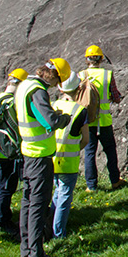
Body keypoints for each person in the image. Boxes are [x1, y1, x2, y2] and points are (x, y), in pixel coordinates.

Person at [16, 58, 72, 257]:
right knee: (38, 206)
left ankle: (25, 249)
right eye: (58, 80)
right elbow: (51, 122)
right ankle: (35, 256)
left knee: (28, 203)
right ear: (54, 74)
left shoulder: (24, 86)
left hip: (28, 153)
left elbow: (33, 116)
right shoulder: (38, 91)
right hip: (40, 157)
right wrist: (63, 118)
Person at [79, 45, 127, 192]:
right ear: (101, 59)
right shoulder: (107, 75)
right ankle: (114, 180)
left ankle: (91, 185)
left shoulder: (81, 75)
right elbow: (116, 97)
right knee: (110, 150)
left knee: (89, 152)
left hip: (88, 120)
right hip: (104, 120)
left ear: (87, 59)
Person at [49, 75, 90, 238]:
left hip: (51, 158)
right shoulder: (81, 110)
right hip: (68, 161)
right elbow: (85, 139)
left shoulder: (52, 106)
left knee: (57, 191)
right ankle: (58, 232)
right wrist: (75, 148)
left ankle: (49, 223)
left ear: (59, 88)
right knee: (64, 195)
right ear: (78, 89)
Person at [0, 69, 27, 236]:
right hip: (11, 153)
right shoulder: (13, 103)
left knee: (3, 187)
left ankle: (3, 219)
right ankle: (4, 222)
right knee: (7, 188)